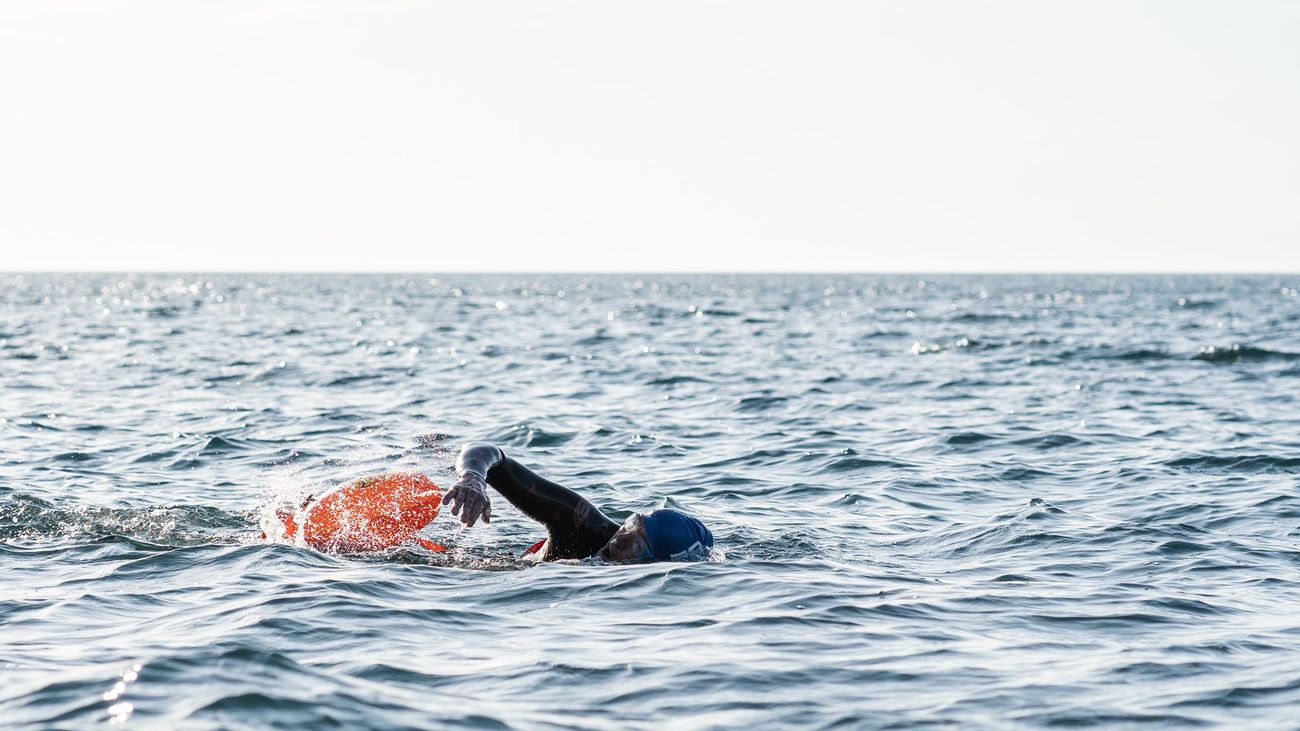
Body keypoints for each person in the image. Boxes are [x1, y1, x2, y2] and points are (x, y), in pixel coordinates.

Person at [444, 442, 713, 562]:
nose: (619, 539)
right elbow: (485, 451)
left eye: (638, 545)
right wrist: (473, 477)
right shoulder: (583, 527)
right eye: (631, 524)